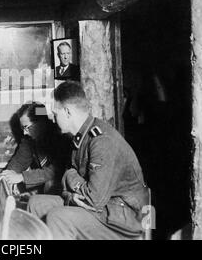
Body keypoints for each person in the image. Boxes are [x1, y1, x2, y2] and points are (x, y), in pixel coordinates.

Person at [27, 81, 149, 240]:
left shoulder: (101, 141)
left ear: (67, 112)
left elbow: (93, 199)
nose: (54, 119)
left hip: (124, 217)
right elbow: (68, 183)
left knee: (58, 218)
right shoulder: (80, 137)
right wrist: (71, 194)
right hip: (103, 208)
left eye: (55, 114)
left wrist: (70, 176)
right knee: (36, 204)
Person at [0, 102, 71, 195]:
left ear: (40, 122)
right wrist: (8, 174)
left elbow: (54, 171)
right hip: (41, 179)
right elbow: (19, 161)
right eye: (23, 128)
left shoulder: (61, 136)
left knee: (50, 185)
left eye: (27, 127)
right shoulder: (29, 138)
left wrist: (22, 177)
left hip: (62, 184)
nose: (25, 133)